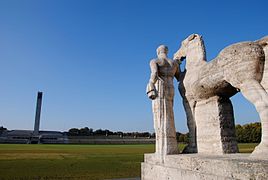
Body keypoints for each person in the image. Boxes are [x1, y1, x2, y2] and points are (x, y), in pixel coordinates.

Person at [146, 45, 180, 155]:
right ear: (166, 51)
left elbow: (155, 73)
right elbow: (179, 77)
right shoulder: (174, 63)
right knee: (169, 115)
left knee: (160, 118)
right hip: (171, 88)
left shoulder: (155, 61)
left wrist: (151, 83)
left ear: (158, 51)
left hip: (160, 88)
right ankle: (171, 146)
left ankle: (163, 149)